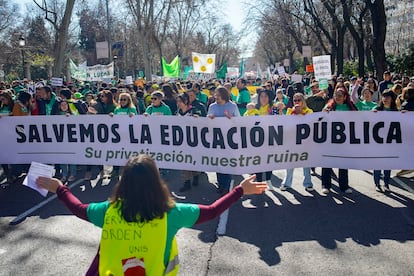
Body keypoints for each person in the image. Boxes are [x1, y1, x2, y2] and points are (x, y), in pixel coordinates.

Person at [36, 155, 267, 275]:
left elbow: (79, 209)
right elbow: (213, 211)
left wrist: (60, 188)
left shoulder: (108, 211)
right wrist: (239, 191)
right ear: (156, 181)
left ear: (124, 181)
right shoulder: (171, 213)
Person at [321, 87, 357, 194]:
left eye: (340, 95)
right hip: (330, 139)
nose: (337, 97)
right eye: (336, 95)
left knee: (343, 163)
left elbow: (360, 119)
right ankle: (326, 185)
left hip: (344, 141)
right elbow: (321, 119)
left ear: (345, 97)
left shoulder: (351, 108)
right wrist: (323, 113)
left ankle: (344, 186)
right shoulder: (329, 106)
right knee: (327, 162)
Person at [207, 86, 240, 194]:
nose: (216, 97)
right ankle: (220, 184)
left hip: (229, 139)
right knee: (218, 163)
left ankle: (226, 186)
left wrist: (231, 118)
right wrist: (210, 119)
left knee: (227, 163)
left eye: (218, 95)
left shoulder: (232, 106)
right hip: (216, 139)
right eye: (215, 95)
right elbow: (207, 120)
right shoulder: (212, 106)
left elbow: (239, 121)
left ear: (224, 95)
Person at [280, 93, 314, 192]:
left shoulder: (309, 111)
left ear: (303, 101)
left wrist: (301, 113)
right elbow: (287, 123)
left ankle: (308, 183)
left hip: (305, 142)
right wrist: (294, 112)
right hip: (292, 141)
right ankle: (286, 183)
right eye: (295, 100)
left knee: (306, 164)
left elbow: (311, 123)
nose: (297, 102)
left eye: (299, 100)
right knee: (290, 163)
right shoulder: (290, 111)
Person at [371, 89, 398, 192]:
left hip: (390, 142)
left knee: (388, 163)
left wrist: (405, 114)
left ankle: (386, 184)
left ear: (392, 99)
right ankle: (377, 183)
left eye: (388, 97)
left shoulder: (396, 112)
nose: (385, 99)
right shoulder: (377, 109)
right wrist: (371, 114)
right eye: (384, 96)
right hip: (378, 142)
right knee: (377, 163)